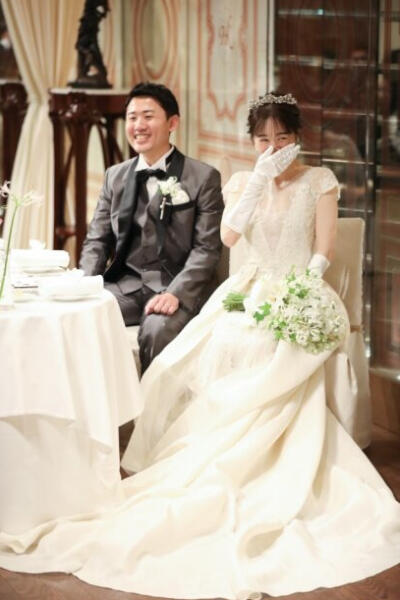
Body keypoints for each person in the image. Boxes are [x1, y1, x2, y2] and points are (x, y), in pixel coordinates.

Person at [1, 92, 399, 598]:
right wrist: (259, 179)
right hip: (245, 289)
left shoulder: (319, 180)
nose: (273, 147)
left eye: (282, 138)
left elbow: (322, 249)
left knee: (264, 345)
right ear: (252, 142)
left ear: (298, 138)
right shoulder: (241, 181)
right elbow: (229, 238)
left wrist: (300, 288)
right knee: (200, 352)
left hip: (297, 286)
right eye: (263, 139)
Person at [79, 82, 224, 370]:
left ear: (172, 123)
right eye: (132, 118)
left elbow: (206, 249)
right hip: (126, 286)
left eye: (148, 116)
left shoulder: (203, 177)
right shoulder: (114, 176)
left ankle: (149, 401)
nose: (138, 125)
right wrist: (83, 284)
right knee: (79, 315)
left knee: (157, 330)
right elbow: (97, 240)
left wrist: (176, 293)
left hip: (175, 285)